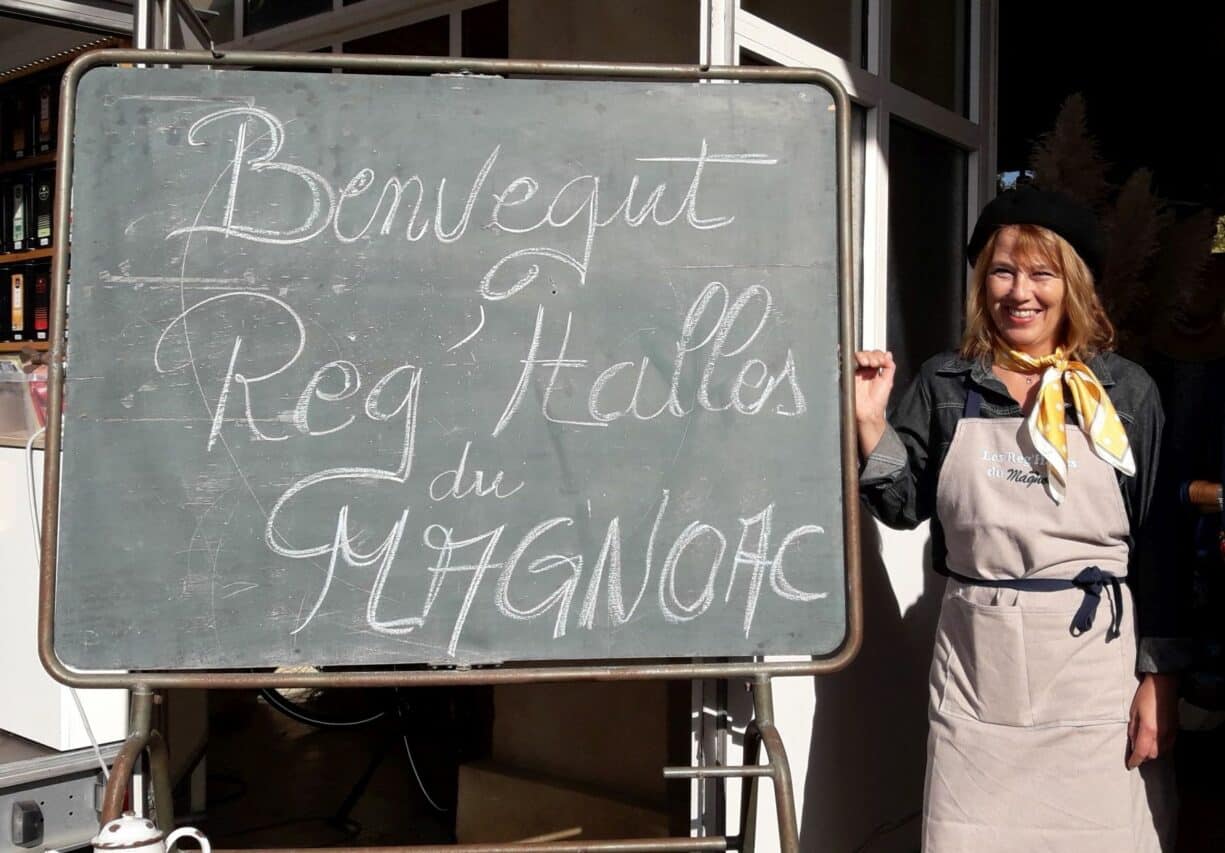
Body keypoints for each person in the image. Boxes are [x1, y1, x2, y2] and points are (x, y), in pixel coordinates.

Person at [856, 187, 1182, 851]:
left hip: (1091, 660)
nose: (1019, 292)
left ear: (1072, 283)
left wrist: (1160, 677)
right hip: (979, 661)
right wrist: (867, 421)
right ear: (982, 283)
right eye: (1002, 271)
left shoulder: (1123, 391)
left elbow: (1159, 542)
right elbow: (901, 504)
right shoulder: (947, 384)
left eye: (1041, 273)